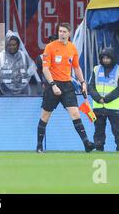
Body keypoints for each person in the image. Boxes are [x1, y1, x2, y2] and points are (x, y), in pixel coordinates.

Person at [36, 22, 95, 153]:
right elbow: (45, 69)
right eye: (60, 31)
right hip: (53, 84)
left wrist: (83, 82)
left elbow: (76, 67)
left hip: (67, 85)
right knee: (45, 116)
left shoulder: (72, 48)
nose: (62, 34)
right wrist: (52, 85)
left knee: (75, 113)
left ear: (69, 33)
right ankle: (39, 146)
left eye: (64, 32)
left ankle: (86, 143)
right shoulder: (50, 47)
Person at [88, 47, 119, 152]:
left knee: (117, 129)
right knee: (98, 130)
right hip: (98, 106)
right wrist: (98, 98)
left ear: (113, 58)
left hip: (113, 107)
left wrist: (105, 99)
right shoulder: (96, 69)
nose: (105, 60)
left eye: (108, 58)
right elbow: (90, 86)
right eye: (103, 58)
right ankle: (99, 148)